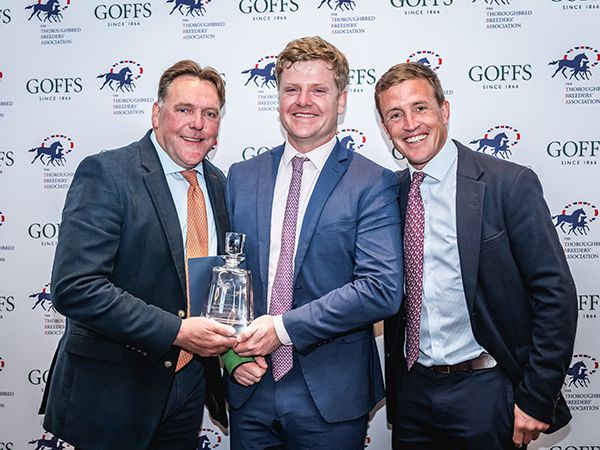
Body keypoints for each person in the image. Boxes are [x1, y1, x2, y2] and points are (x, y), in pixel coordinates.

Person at [375, 62, 578, 450]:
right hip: (413, 394)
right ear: (386, 129)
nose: (410, 124)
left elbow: (556, 296)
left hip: (487, 391)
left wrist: (537, 396)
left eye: (420, 108)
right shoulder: (388, 196)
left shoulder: (507, 183)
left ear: (444, 111)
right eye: (395, 115)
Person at [40, 60, 237, 450]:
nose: (197, 123)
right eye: (184, 109)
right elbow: (76, 288)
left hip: (187, 385)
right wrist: (177, 332)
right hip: (114, 392)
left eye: (209, 113)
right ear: (156, 113)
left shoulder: (218, 183)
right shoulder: (107, 173)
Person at [225, 36, 403, 449]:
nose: (303, 101)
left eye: (318, 90)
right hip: (249, 389)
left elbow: (381, 290)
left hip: (331, 395)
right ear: (278, 96)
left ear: (341, 101)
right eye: (291, 89)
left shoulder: (372, 182)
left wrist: (282, 329)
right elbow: (222, 276)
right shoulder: (241, 176)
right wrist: (231, 355)